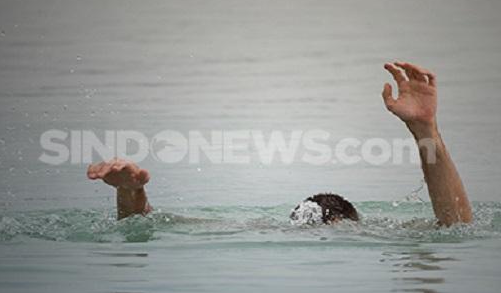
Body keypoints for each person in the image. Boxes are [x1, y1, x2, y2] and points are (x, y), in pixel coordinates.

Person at [87, 63, 472, 226]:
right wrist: (426, 132)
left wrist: (133, 195)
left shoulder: (258, 228)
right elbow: (457, 226)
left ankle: (130, 190)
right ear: (343, 224)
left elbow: (152, 224)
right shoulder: (377, 233)